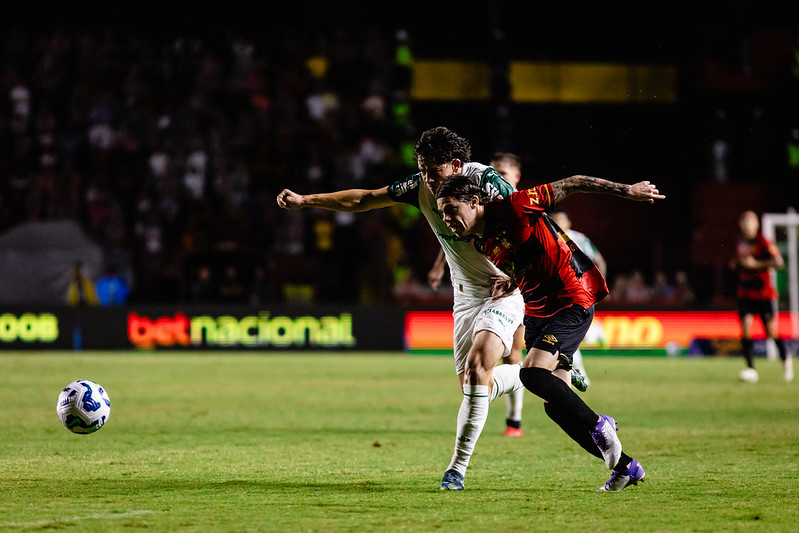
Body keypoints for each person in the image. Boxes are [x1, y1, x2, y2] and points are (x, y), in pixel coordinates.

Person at [277, 126, 528, 491]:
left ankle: (456, 470)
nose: (426, 179)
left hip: (503, 290)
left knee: (478, 365)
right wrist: (306, 201)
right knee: (476, 388)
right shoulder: (419, 188)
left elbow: (530, 225)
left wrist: (517, 274)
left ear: (456, 165)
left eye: (433, 170)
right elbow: (363, 199)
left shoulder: (487, 184)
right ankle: (539, 373)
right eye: (423, 169)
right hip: (465, 296)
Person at [435, 173, 665, 491]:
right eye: (442, 212)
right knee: (556, 406)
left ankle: (601, 424)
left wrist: (627, 188)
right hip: (538, 313)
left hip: (571, 299)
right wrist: (511, 278)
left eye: (450, 209)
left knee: (532, 375)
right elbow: (528, 258)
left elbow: (573, 182)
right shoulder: (479, 241)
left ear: (474, 203)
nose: (445, 219)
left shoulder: (516, 207)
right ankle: (626, 467)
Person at [729, 210, 792, 383]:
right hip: (745, 293)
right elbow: (737, 263)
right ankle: (750, 368)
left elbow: (779, 263)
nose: (747, 224)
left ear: (757, 224)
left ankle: (786, 359)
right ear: (740, 224)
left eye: (751, 221)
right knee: (746, 328)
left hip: (764, 294)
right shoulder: (740, 242)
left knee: (771, 331)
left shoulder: (763, 241)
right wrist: (736, 264)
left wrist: (757, 264)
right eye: (745, 221)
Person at [549, 208, 608, 388]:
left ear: (568, 223)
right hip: (557, 294)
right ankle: (574, 369)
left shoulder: (579, 239)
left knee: (564, 334)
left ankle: (576, 370)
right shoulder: (548, 236)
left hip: (577, 293)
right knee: (564, 335)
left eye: (561, 220)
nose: (558, 224)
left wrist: (600, 284)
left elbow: (600, 261)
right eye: (555, 220)